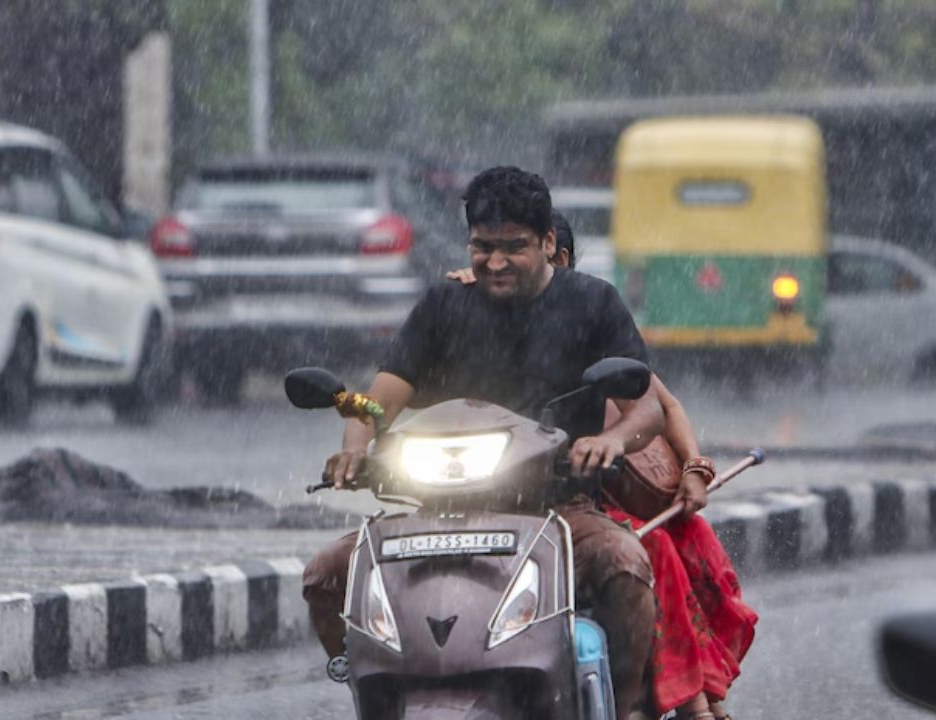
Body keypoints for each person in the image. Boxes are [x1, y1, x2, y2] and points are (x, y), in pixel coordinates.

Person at [302, 167, 664, 720]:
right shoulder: (444, 305)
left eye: (513, 247)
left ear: (548, 243)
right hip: (436, 510)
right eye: (482, 246)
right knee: (324, 577)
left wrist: (609, 441)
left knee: (626, 566)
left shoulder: (593, 302)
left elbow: (649, 408)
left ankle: (626, 705)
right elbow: (378, 403)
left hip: (555, 512)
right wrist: (355, 442)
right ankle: (375, 680)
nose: (495, 262)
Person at [448, 213, 758, 720]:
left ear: (557, 261)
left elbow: (662, 403)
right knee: (651, 545)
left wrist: (693, 470)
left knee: (678, 538)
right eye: (487, 257)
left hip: (591, 497)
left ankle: (681, 700)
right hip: (504, 495)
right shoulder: (469, 311)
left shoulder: (586, 318)